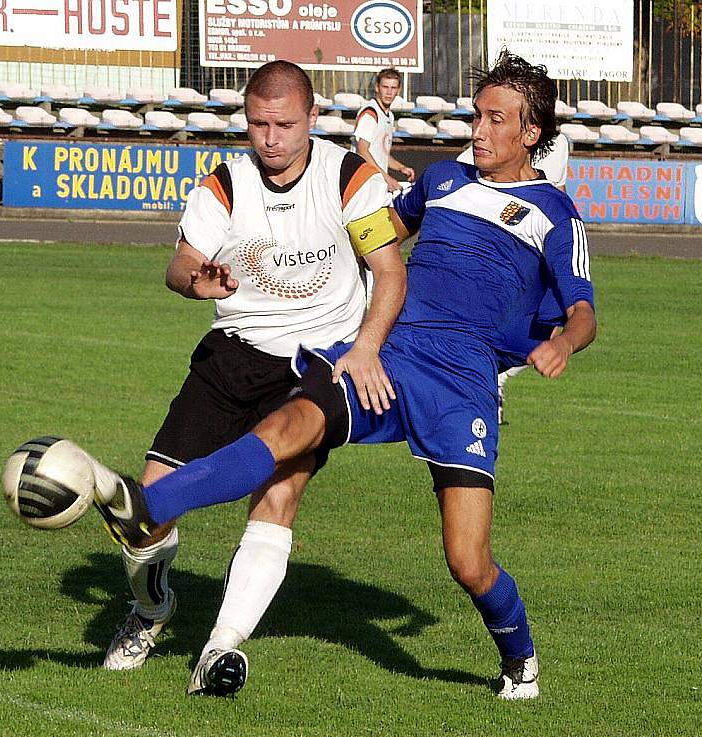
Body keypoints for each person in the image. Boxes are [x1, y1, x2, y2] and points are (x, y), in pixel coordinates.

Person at [88, 50, 596, 701]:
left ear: (530, 133)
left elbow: (582, 310)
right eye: (475, 116)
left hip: (461, 384)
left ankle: (518, 656)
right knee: (288, 425)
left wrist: (562, 343)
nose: (477, 131)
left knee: (467, 561)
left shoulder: (553, 211)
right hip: (385, 357)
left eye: (496, 121)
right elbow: (374, 240)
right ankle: (143, 507)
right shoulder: (440, 180)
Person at [94, 60, 406, 686]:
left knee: (280, 493)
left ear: (312, 118)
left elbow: (391, 272)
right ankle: (152, 607)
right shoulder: (223, 185)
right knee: (147, 513)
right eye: (258, 124)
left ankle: (222, 646)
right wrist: (197, 280)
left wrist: (367, 347)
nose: (271, 138)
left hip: (315, 363)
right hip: (232, 355)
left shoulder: (351, 178)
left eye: (285, 124)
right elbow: (178, 266)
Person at [458, 132, 570, 423]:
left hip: (533, 253)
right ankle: (479, 386)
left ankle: (494, 380)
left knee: (547, 330)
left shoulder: (559, 143)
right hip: (490, 251)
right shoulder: (490, 145)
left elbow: (558, 193)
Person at [353, 68, 415, 193]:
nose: (389, 92)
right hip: (362, 182)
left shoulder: (389, 116)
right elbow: (362, 150)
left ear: (398, 90)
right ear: (377, 88)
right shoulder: (370, 114)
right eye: (385, 87)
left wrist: (401, 167)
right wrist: (385, 177)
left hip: (376, 182)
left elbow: (381, 153)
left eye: (393, 88)